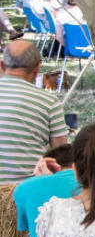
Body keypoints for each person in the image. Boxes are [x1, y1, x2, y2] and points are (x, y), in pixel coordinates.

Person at [0, 40, 68, 182]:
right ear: (37, 68)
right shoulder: (49, 102)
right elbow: (62, 154)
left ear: (2, 65)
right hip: (26, 189)